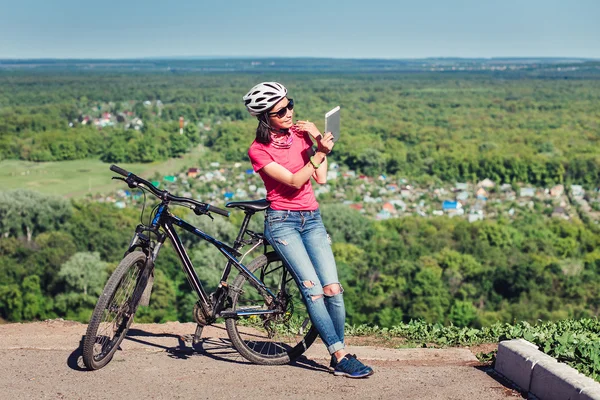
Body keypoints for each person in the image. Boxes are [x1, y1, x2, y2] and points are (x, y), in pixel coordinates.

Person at [243, 82, 374, 378]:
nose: (289, 113)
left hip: (312, 219)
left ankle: (339, 351)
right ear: (265, 117)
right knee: (313, 291)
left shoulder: (301, 135)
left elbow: (321, 177)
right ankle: (340, 356)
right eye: (280, 111)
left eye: (290, 105)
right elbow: (292, 180)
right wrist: (318, 153)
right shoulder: (258, 150)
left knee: (332, 289)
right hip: (282, 223)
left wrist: (317, 140)